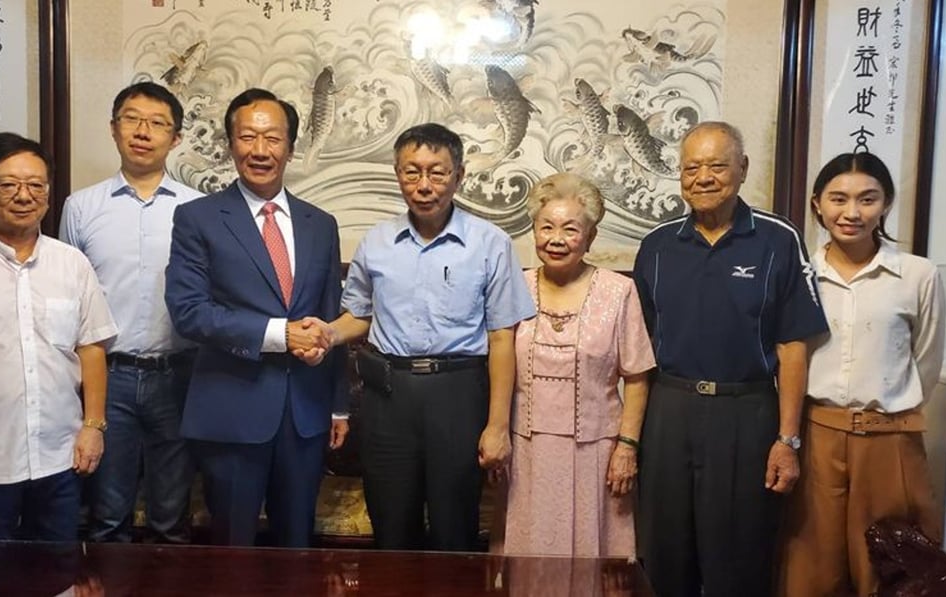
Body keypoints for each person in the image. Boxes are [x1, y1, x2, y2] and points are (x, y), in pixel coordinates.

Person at [297, 122, 535, 551]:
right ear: (397, 174)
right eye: (412, 171)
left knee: (454, 528)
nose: (424, 185)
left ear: (458, 176)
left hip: (459, 393)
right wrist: (328, 334)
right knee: (390, 525)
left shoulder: (490, 244)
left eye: (437, 172)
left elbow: (503, 338)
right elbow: (361, 317)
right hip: (389, 396)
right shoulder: (377, 243)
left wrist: (498, 425)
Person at [631, 121, 829, 597]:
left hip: (747, 411)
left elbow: (794, 345)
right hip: (670, 410)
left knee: (738, 556)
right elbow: (637, 348)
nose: (703, 177)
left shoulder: (778, 239)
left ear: (742, 169)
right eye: (691, 167)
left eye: (717, 166)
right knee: (664, 551)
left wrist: (788, 439)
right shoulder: (657, 245)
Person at [164, 88, 348, 547]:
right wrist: (278, 335)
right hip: (231, 409)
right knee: (233, 550)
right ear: (231, 144)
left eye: (273, 138)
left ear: (291, 146)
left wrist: (338, 403)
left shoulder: (319, 223)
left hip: (304, 413)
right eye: (247, 137)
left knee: (296, 546)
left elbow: (330, 316)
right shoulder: (197, 218)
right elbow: (189, 312)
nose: (260, 150)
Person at [0, 132, 118, 557]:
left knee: (57, 574)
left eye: (36, 185)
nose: (24, 195)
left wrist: (93, 426)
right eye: (9, 184)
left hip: (59, 459)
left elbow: (91, 347)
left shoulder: (71, 264)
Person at [777, 153, 946, 597]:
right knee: (811, 568)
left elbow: (924, 363)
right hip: (816, 438)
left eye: (867, 199)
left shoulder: (917, 275)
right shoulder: (799, 275)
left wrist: (890, 413)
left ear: (886, 203)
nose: (852, 212)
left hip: (890, 442)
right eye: (838, 198)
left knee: (892, 567)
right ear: (817, 204)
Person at [60, 82, 203, 544]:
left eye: (157, 123)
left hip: (179, 375)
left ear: (176, 138)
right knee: (107, 516)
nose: (143, 131)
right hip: (108, 377)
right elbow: (67, 298)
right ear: (114, 128)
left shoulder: (197, 210)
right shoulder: (81, 207)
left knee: (171, 519)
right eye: (132, 119)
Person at [498, 173, 656, 557]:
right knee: (529, 549)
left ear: (590, 237)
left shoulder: (618, 291)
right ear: (533, 231)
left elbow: (636, 377)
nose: (556, 239)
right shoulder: (514, 286)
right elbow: (498, 367)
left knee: (592, 552)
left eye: (570, 229)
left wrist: (627, 448)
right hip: (526, 451)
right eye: (546, 227)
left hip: (597, 452)